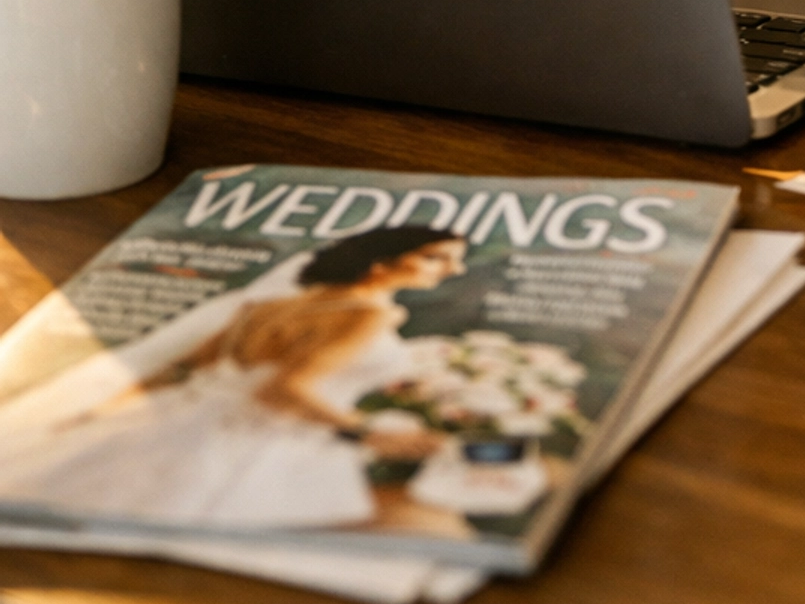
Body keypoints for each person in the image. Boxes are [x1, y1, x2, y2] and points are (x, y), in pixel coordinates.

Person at [0, 229, 472, 534]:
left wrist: (100, 414)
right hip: (244, 441)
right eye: (436, 258)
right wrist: (366, 433)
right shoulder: (370, 314)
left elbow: (180, 370)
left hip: (179, 416)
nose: (453, 269)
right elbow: (281, 390)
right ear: (383, 263)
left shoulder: (262, 308)